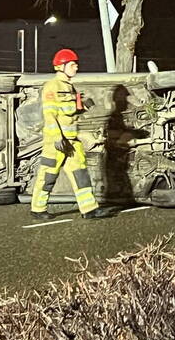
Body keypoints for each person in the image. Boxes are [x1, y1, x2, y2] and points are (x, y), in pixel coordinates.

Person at [30, 49, 114, 220]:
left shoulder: (70, 87)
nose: (76, 67)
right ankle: (38, 209)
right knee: (48, 176)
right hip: (56, 143)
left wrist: (83, 105)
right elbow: (50, 114)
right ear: (61, 66)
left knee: (81, 175)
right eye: (73, 65)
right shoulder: (52, 86)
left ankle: (89, 209)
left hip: (72, 141)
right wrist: (56, 138)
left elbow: (69, 112)